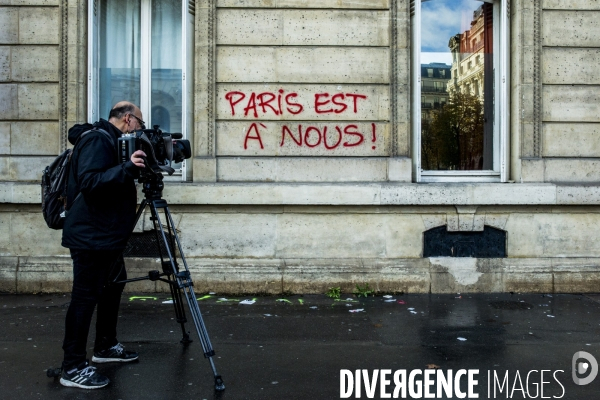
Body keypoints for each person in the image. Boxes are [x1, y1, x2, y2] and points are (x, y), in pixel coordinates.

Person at [59, 101, 147, 389]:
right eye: (140, 124)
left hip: (106, 235)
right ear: (128, 118)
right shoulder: (98, 139)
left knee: (113, 285)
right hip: (90, 236)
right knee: (85, 298)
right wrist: (126, 169)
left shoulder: (114, 141)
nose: (140, 130)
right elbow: (90, 182)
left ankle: (105, 346)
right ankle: (71, 366)